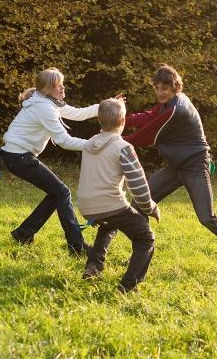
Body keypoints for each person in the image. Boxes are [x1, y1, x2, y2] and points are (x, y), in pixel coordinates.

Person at [123, 64, 217, 274]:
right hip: (175, 166)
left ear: (175, 87)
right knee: (138, 203)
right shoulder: (167, 105)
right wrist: (121, 118)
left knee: (206, 217)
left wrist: (114, 138)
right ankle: (141, 253)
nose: (159, 93)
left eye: (164, 88)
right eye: (156, 88)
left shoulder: (176, 109)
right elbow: (148, 116)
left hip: (195, 166)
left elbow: (145, 135)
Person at [0, 67, 98, 256]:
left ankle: (24, 233)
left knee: (56, 193)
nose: (62, 88)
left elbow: (77, 113)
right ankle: (77, 247)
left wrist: (104, 106)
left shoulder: (49, 102)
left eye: (62, 83)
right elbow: (64, 141)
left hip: (17, 156)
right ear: (46, 89)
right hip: (18, 157)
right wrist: (96, 145)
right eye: (57, 85)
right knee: (62, 192)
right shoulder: (44, 107)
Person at [76, 98, 160, 293]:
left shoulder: (89, 144)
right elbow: (138, 186)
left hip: (86, 205)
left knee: (110, 222)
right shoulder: (123, 148)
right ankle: (128, 286)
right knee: (145, 237)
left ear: (100, 121)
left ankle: (94, 266)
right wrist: (151, 208)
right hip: (109, 204)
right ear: (123, 121)